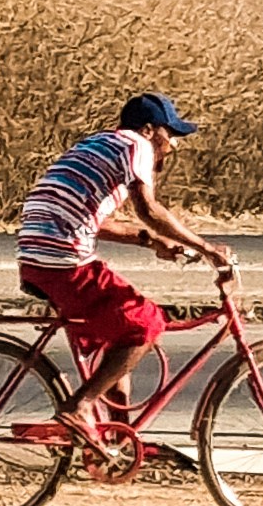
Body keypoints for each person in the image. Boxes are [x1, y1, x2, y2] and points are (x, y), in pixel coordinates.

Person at [14, 92, 234, 439]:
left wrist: (149, 241)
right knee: (145, 323)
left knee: (114, 339)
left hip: (36, 255)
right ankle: (80, 406)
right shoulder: (136, 146)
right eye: (170, 135)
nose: (173, 146)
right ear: (149, 130)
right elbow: (148, 208)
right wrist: (207, 249)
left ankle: (119, 441)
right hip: (63, 257)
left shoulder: (99, 144)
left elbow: (97, 221)